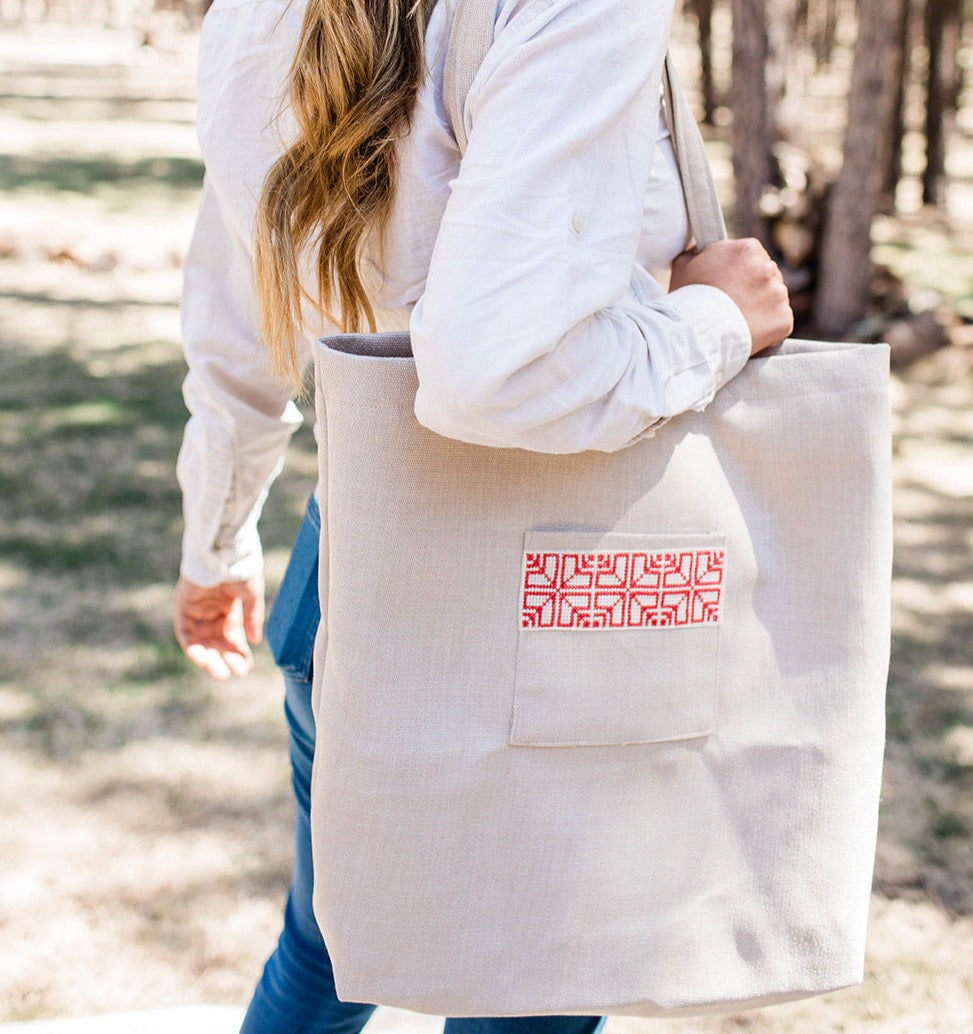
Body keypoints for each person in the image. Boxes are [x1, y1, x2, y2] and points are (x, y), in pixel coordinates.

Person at [172, 0, 794, 1031]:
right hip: (563, 606)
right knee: (532, 987)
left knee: (329, 946)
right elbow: (494, 374)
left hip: (356, 568)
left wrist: (216, 539)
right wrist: (718, 322)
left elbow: (237, 316)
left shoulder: (253, 14)